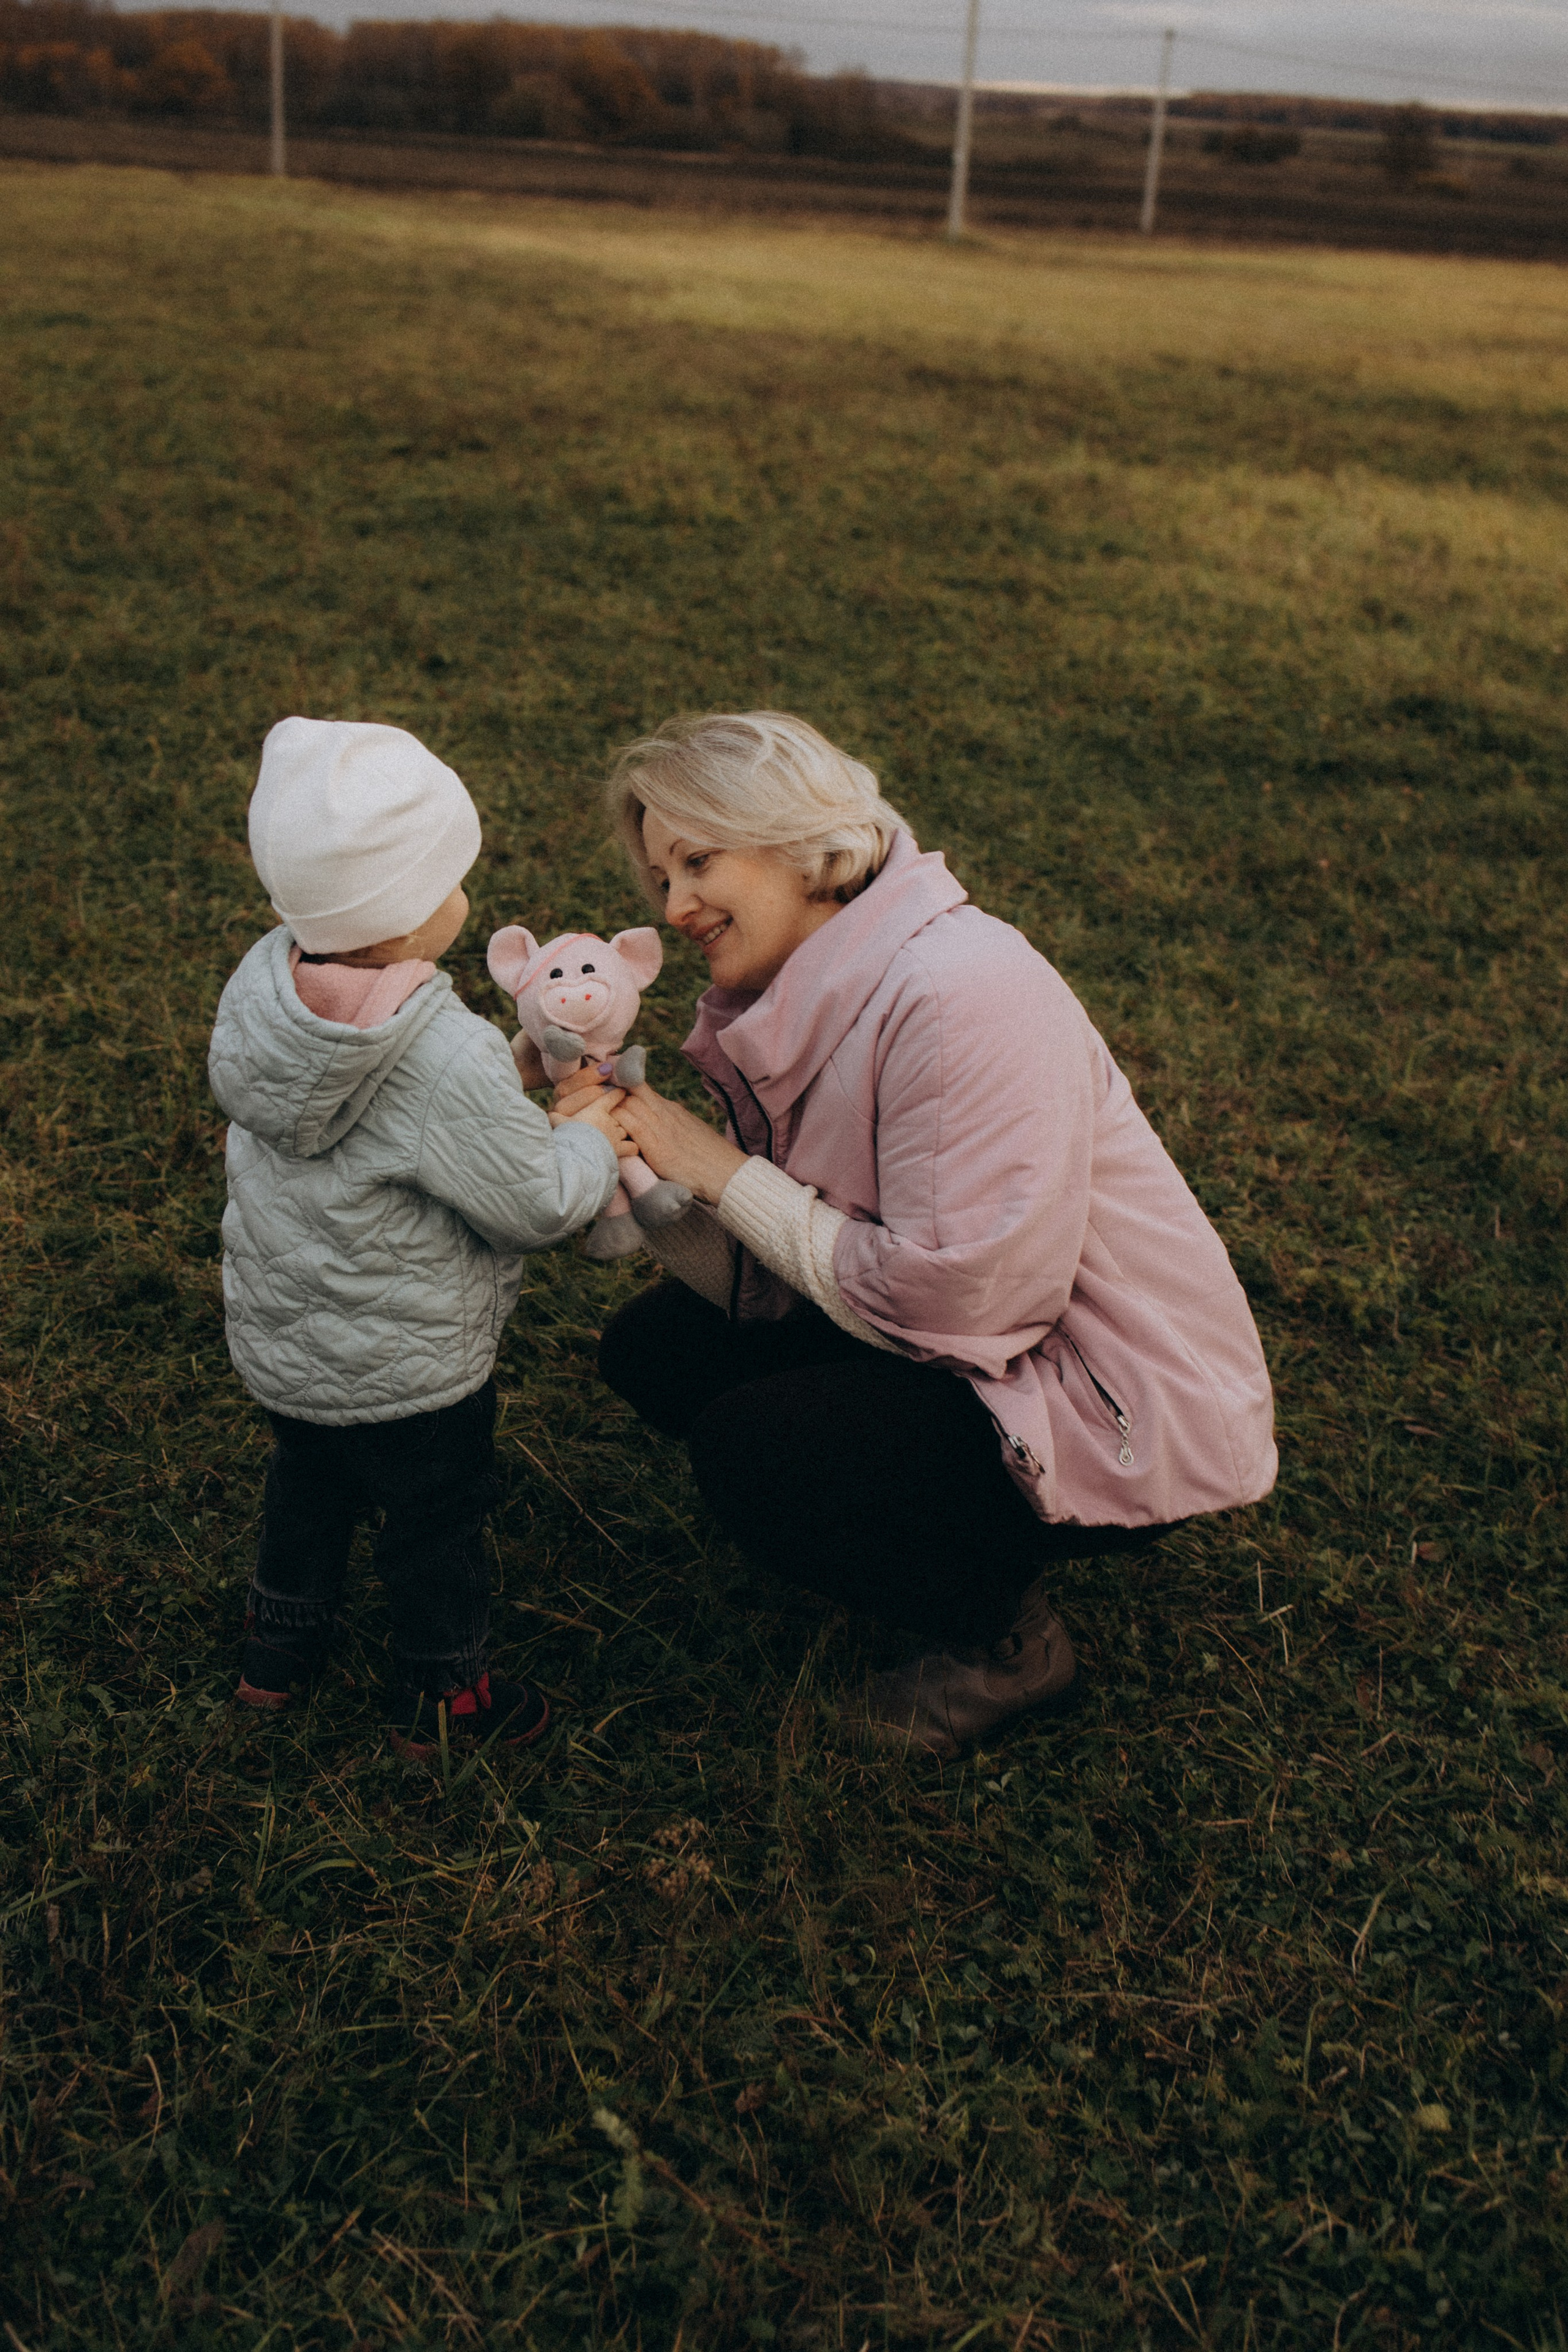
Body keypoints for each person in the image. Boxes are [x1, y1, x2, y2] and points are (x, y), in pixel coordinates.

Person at [569, 711, 1277, 1760]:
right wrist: (633, 1168)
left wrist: (714, 1166)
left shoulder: (957, 990)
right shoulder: (810, 984)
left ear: (802, 841)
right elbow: (779, 1266)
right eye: (662, 877)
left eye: (699, 861)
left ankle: (1005, 1641)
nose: (674, 908)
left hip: (1108, 1388)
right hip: (974, 1335)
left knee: (757, 1452)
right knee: (660, 1353)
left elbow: (966, 1301)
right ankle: (925, 1531)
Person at [208, 717, 630, 1759]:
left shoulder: (266, 994)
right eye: (454, 878)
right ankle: (445, 1700)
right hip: (411, 1367)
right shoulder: (443, 1050)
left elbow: (403, 1118)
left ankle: (278, 1652)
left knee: (307, 1485)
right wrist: (589, 1138)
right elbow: (532, 1204)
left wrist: (508, 1079)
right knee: (434, 1520)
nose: (465, 898)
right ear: (413, 908)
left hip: (291, 1351)